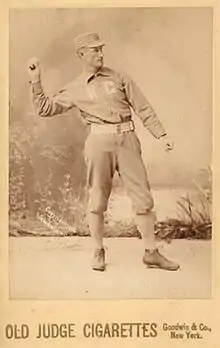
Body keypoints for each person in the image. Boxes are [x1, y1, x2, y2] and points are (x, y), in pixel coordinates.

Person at [28, 32, 180, 272]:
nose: (100, 53)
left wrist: (161, 135)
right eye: (94, 50)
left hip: (127, 140)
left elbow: (143, 107)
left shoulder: (119, 77)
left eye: (101, 49)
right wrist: (36, 81)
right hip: (98, 143)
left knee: (143, 199)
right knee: (97, 200)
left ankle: (151, 252)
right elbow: (45, 108)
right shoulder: (75, 88)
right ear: (81, 54)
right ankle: (98, 251)